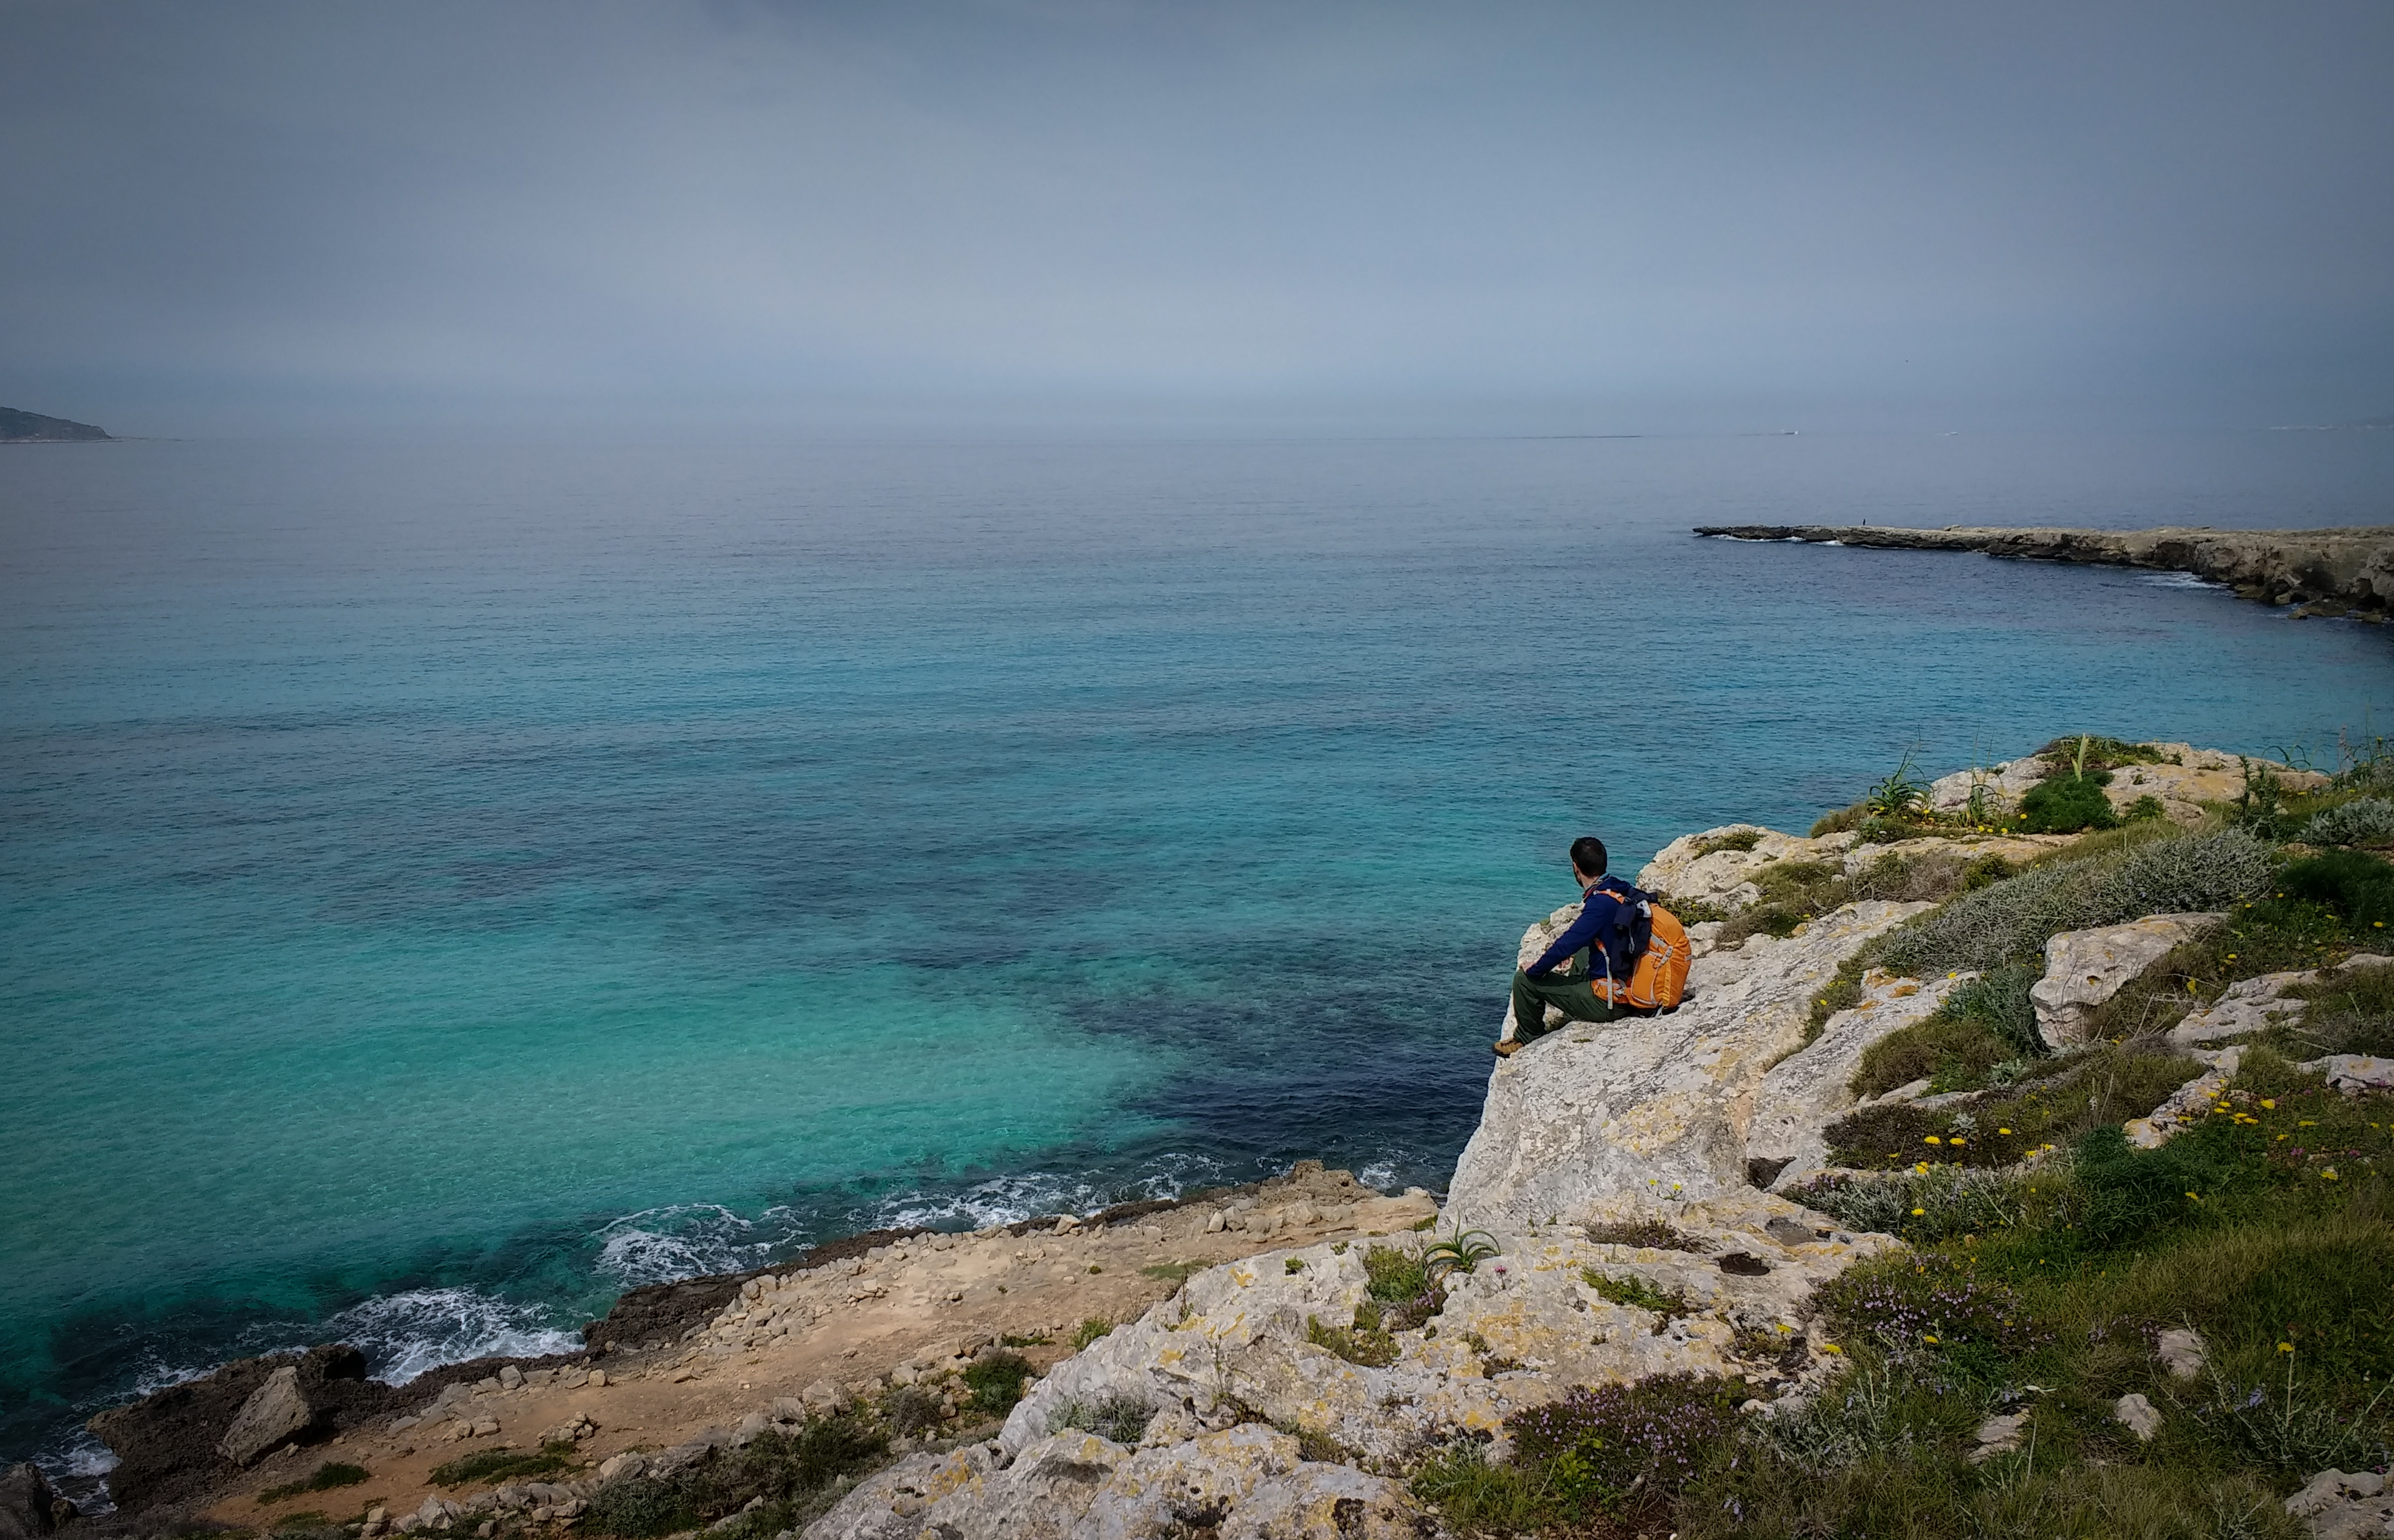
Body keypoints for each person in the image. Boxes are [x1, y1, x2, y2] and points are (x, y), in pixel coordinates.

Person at [1495, 836, 1638, 1056]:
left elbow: (1565, 946)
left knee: (1524, 981)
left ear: (1576, 867)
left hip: (1611, 1002)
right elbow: (1578, 940)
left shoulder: (1599, 905)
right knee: (1584, 946)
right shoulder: (1619, 889)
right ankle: (1576, 996)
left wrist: (1534, 969)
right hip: (1630, 981)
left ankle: (1527, 1037)